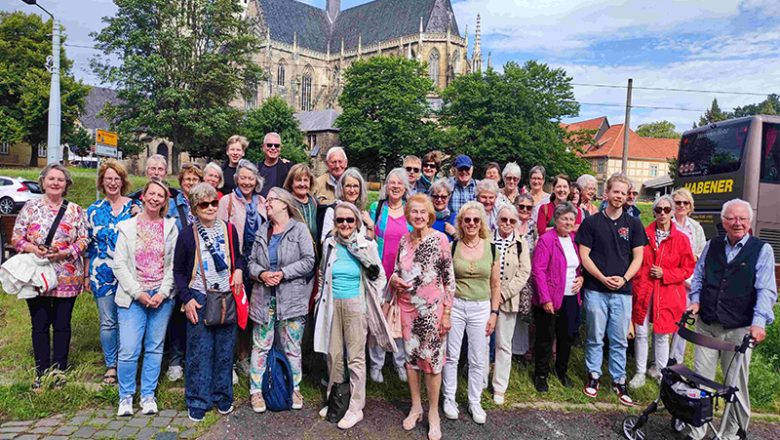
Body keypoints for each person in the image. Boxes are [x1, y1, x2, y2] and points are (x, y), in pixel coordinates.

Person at [686, 199, 777, 440]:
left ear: (749, 222)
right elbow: (699, 276)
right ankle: (697, 430)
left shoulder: (762, 250)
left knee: (735, 383)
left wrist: (759, 322)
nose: (737, 223)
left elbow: (766, 290)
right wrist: (694, 300)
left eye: (742, 219)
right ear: (723, 222)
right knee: (700, 379)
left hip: (739, 328)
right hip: (707, 322)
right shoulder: (711, 245)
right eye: (731, 218)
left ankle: (733, 432)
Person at [313, 202, 396, 430]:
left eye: (350, 220)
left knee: (356, 358)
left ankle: (355, 407)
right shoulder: (329, 244)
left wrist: (372, 304)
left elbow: (380, 277)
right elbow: (322, 274)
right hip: (332, 304)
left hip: (355, 305)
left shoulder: (365, 245)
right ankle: (336, 400)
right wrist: (319, 300)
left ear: (356, 222)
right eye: (340, 220)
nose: (345, 224)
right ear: (335, 223)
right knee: (334, 355)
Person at [12, 164, 89, 388]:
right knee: (40, 324)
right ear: (43, 182)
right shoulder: (30, 207)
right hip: (38, 275)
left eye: (60, 180)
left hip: (67, 275)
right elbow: (17, 237)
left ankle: (60, 370)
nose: (55, 183)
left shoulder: (75, 210)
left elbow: (84, 239)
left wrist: (66, 252)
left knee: (63, 324)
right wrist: (33, 249)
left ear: (66, 184)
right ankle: (41, 370)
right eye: (51, 179)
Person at [174, 183, 244, 422]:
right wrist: (188, 300)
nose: (211, 207)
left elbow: (239, 257)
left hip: (225, 295)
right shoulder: (186, 235)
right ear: (194, 208)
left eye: (214, 202)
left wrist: (239, 271)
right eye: (204, 204)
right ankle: (197, 400)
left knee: (225, 351)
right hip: (200, 297)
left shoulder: (229, 230)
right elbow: (179, 273)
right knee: (199, 353)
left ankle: (223, 397)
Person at [388, 194, 455, 440]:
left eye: (422, 212)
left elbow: (449, 281)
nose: (418, 216)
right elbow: (396, 270)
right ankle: (416, 406)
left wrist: (447, 313)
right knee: (412, 361)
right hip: (408, 310)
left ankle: (433, 413)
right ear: (408, 215)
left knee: (433, 363)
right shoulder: (404, 240)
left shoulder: (440, 240)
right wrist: (394, 279)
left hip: (433, 311)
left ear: (429, 215)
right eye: (413, 212)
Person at [576, 173, 647, 406]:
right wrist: (602, 278)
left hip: (622, 292)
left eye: (623, 193)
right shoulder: (591, 222)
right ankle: (594, 376)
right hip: (596, 289)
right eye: (615, 191)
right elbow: (584, 256)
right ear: (606, 193)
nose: (619, 196)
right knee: (595, 336)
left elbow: (638, 258)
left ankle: (618, 380)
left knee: (619, 339)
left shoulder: (634, 224)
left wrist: (624, 278)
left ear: (628, 196)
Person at [113, 179, 178, 416]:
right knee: (129, 348)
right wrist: (139, 293)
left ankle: (148, 395)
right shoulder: (127, 227)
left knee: (154, 347)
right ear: (143, 196)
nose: (155, 198)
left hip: (161, 297)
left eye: (160, 195)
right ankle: (126, 397)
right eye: (151, 194)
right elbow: (119, 265)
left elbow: (173, 265)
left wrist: (162, 293)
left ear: (165, 201)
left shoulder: (170, 227)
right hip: (133, 297)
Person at [247, 188, 315, 413]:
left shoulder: (300, 229)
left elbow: (309, 261)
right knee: (261, 346)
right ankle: (256, 391)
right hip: (264, 300)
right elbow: (251, 264)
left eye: (271, 200)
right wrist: (262, 274)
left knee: (292, 347)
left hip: (292, 299)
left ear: (284, 204)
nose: (266, 204)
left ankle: (294, 387)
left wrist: (283, 273)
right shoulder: (262, 231)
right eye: (266, 201)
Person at [628, 196, 695, 390]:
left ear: (673, 212)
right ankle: (640, 372)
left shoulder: (681, 239)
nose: (662, 213)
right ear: (654, 212)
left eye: (666, 209)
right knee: (641, 331)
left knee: (662, 333)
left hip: (667, 293)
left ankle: (660, 372)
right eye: (658, 210)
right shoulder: (644, 234)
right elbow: (635, 259)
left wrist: (666, 273)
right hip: (644, 289)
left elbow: (688, 268)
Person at [442, 201, 500, 425]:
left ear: (481, 223)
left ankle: (474, 400)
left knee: (478, 358)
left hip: (481, 307)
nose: (472, 223)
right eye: (467, 220)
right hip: (456, 305)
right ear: (461, 222)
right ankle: (449, 398)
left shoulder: (491, 247)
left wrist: (494, 313)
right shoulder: (452, 246)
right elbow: (445, 281)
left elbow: (496, 285)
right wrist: (445, 311)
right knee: (452, 356)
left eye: (476, 220)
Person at [86, 159, 141, 386]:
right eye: (108, 178)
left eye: (116, 178)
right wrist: (84, 274)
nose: (112, 183)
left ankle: (128, 361)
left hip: (129, 272)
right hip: (102, 272)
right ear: (102, 181)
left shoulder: (134, 207)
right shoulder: (93, 210)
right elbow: (88, 245)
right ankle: (112, 364)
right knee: (108, 321)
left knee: (129, 320)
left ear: (123, 181)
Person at [216, 159, 266, 381]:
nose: (247, 182)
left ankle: (246, 356)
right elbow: (218, 234)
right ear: (236, 179)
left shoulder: (263, 202)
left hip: (258, 266)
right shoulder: (227, 201)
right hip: (234, 265)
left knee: (252, 313)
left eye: (251, 178)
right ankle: (229, 359)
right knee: (233, 312)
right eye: (243, 178)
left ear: (257, 181)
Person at [532, 202, 583, 393]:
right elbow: (538, 271)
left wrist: (581, 279)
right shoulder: (547, 239)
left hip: (571, 296)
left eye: (571, 219)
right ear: (556, 219)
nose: (568, 222)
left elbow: (577, 267)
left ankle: (562, 371)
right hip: (551, 297)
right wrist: (545, 299)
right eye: (564, 218)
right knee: (545, 338)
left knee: (566, 337)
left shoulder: (574, 240)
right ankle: (541, 375)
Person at [367, 168, 411, 383]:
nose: (395, 186)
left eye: (399, 183)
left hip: (403, 275)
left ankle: (400, 362)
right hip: (380, 274)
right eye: (391, 182)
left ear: (405, 187)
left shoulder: (410, 211)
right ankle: (376, 364)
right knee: (379, 319)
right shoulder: (377, 208)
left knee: (401, 321)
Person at [166, 162, 204, 383]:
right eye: (187, 179)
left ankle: (193, 360)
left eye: (195, 179)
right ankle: (175, 361)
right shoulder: (172, 205)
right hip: (178, 265)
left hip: (200, 269)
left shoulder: (203, 204)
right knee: (177, 317)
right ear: (181, 182)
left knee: (196, 315)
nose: (191, 183)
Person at [491, 204, 531, 404]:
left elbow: (524, 273)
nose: (507, 224)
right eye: (503, 220)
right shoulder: (485, 240)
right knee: (481, 343)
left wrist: (503, 294)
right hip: (484, 300)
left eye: (512, 221)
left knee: (503, 345)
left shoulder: (521, 243)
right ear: (497, 220)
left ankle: (499, 387)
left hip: (507, 301)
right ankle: (479, 381)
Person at [668, 187, 706, 365]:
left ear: (690, 206)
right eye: (678, 202)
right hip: (670, 279)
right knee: (665, 322)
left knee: (682, 322)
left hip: (688, 282)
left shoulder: (696, 227)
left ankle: (676, 360)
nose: (682, 206)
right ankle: (658, 361)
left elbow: (702, 253)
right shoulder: (667, 223)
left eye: (685, 203)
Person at [512, 194, 538, 363]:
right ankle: (509, 350)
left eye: (529, 207)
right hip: (509, 274)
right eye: (521, 206)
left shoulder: (533, 227)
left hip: (527, 275)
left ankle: (521, 351)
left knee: (524, 313)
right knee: (509, 312)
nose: (525, 210)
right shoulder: (508, 222)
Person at [320, 168, 373, 244]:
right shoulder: (332, 211)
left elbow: (369, 245)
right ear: (342, 188)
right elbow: (324, 241)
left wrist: (370, 226)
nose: (352, 190)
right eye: (348, 186)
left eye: (355, 186)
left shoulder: (362, 213)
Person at [283, 163, 318, 239]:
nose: (302, 184)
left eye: (306, 180)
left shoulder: (314, 202)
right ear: (291, 183)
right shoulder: (286, 204)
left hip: (314, 249)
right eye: (298, 180)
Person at [257, 132, 292, 198]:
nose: (273, 148)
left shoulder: (288, 168)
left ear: (280, 148)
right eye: (269, 145)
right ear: (263, 147)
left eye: (277, 145)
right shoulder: (256, 169)